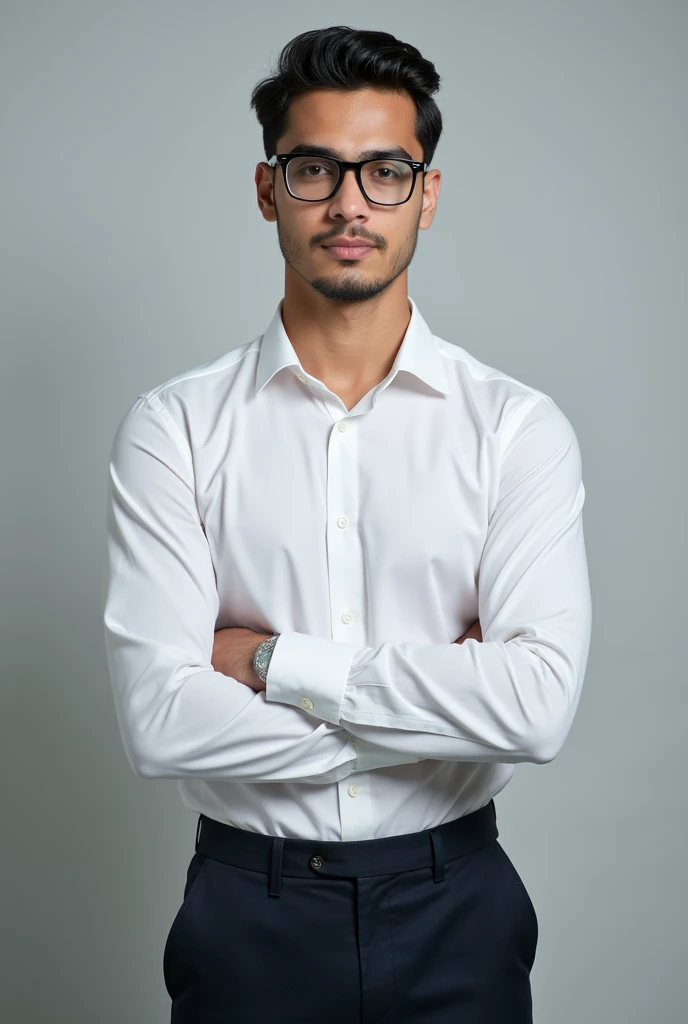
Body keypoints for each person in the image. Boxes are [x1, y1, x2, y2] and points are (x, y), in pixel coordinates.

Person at [102, 24, 592, 1024]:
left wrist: (273, 663)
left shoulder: (515, 429)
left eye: (384, 171)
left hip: (458, 903)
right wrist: (444, 707)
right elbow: (159, 722)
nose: (349, 203)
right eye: (315, 169)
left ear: (428, 193)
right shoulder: (177, 427)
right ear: (266, 188)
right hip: (249, 910)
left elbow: (537, 706)